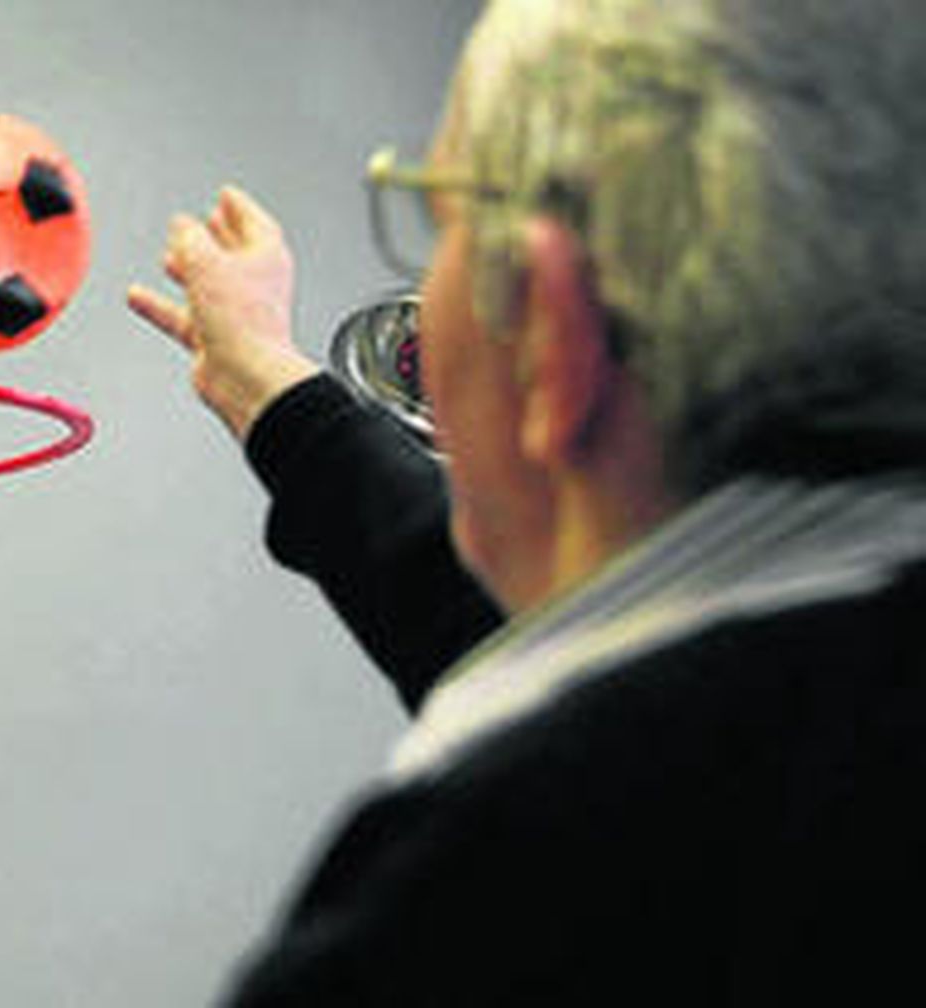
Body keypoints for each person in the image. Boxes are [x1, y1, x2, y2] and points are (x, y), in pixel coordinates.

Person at [128, 0, 926, 1003]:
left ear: (553, 330)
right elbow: (520, 639)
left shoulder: (490, 897)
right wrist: (270, 387)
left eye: (444, 225)